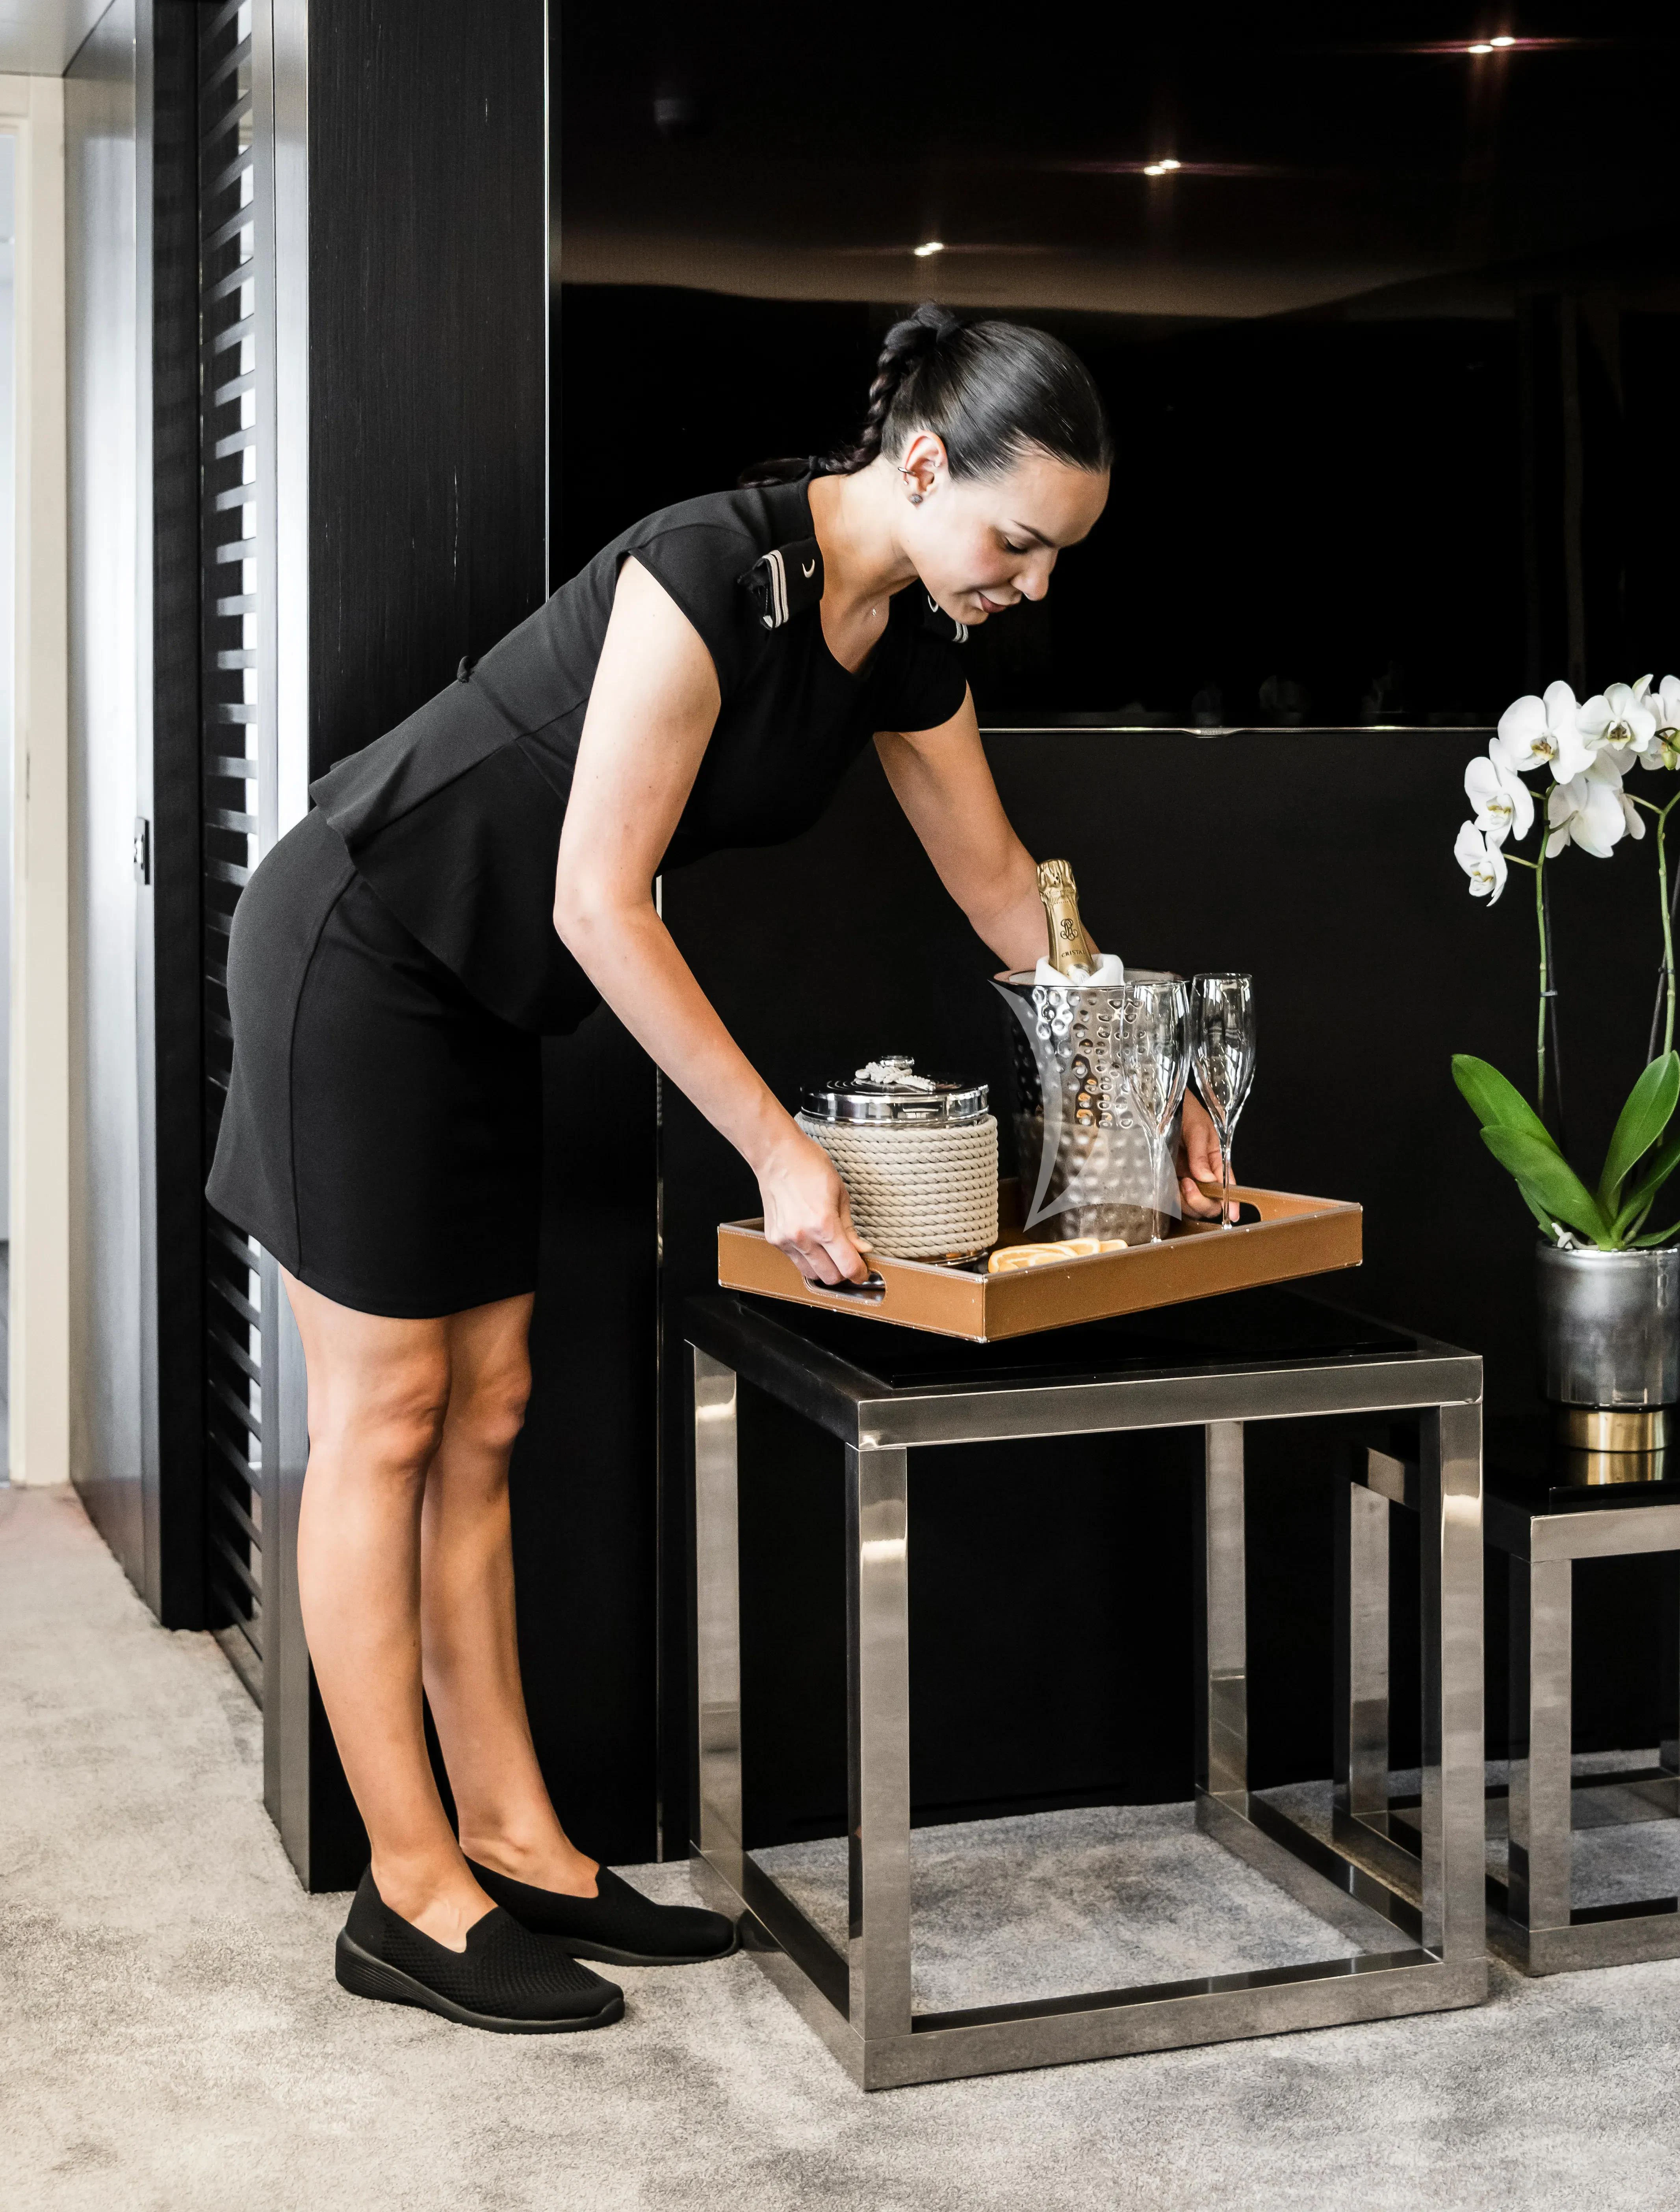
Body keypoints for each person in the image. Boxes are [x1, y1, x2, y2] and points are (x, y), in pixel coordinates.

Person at [206, 303, 1223, 2034]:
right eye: (1016, 539)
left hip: (479, 998)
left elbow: (996, 886)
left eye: (1058, 556)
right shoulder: (706, 568)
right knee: (383, 1418)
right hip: (360, 947)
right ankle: (405, 1887)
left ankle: (519, 1843)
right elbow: (597, 900)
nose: (1031, 584)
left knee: (493, 1404)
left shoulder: (900, 639)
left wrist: (1147, 1087)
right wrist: (778, 1152)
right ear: (920, 465)